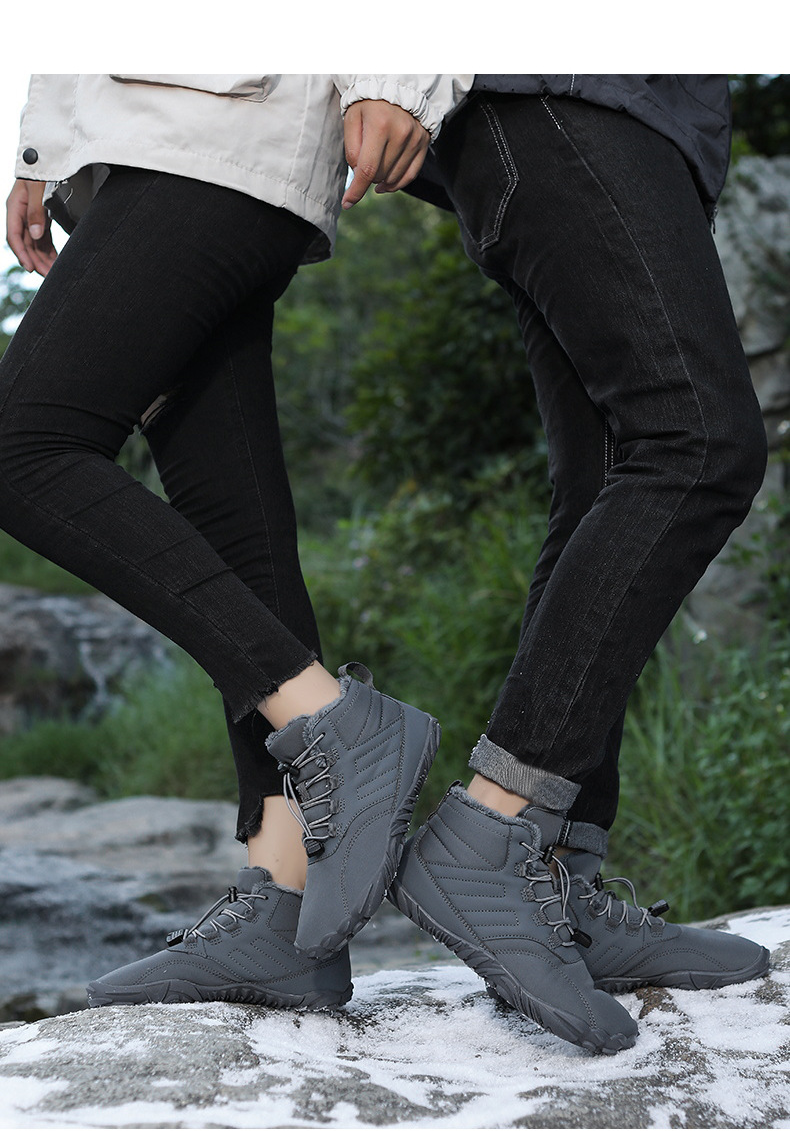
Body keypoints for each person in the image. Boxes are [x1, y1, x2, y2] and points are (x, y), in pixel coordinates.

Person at [1, 73, 471, 1010]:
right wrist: (43, 156)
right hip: (163, 137)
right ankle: (285, 906)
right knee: (234, 521)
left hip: (218, 121)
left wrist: (393, 79)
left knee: (23, 448)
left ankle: (338, 721)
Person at [373, 76, 771, 1054]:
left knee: (606, 476)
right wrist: (393, 77)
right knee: (697, 444)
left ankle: (557, 883)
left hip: (605, 115)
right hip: (567, 93)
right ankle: (489, 832)